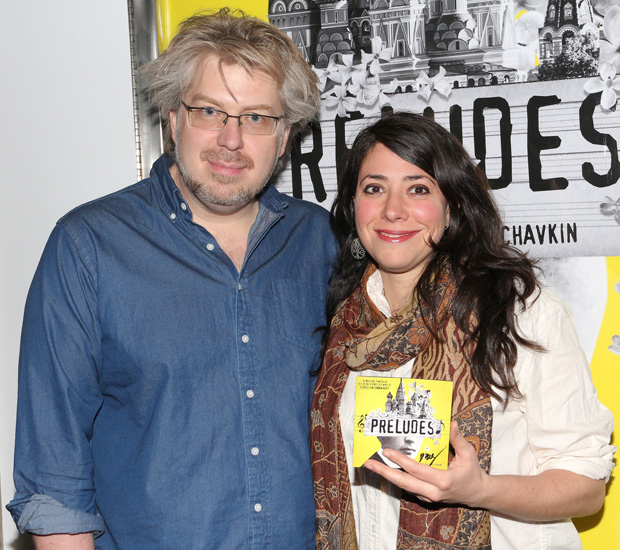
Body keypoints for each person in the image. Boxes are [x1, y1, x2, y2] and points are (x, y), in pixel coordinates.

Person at [8, 9, 336, 550]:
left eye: (257, 118)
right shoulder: (89, 246)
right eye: (210, 110)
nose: (232, 139)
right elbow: (54, 473)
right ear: (173, 118)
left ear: (284, 138)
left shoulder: (319, 242)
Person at [311, 112, 615, 550]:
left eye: (418, 189)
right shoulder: (344, 322)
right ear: (353, 205)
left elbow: (586, 487)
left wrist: (478, 490)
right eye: (374, 188)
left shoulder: (519, 312)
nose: (393, 210)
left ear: (452, 206)